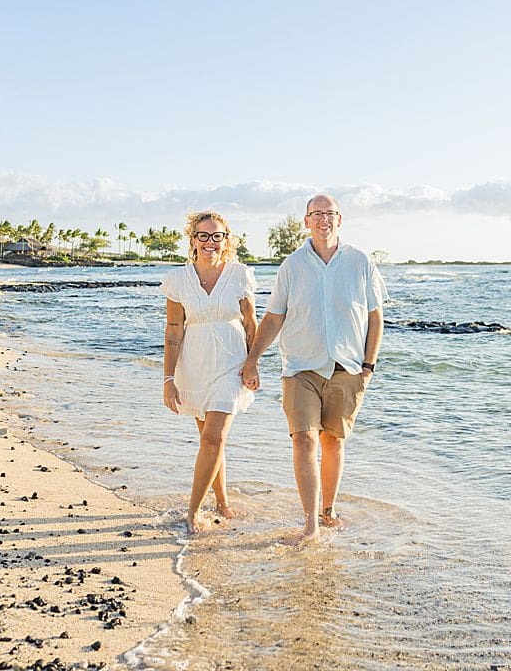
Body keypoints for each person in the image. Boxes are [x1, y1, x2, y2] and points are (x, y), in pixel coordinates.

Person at [242, 194, 385, 542]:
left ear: (340, 219)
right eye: (316, 214)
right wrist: (253, 359)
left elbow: (374, 315)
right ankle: (311, 524)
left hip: (347, 368)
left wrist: (368, 366)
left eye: (330, 213)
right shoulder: (292, 265)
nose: (324, 219)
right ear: (306, 221)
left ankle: (328, 509)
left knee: (332, 441)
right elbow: (275, 316)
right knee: (304, 439)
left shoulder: (360, 262)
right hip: (301, 368)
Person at [161, 210, 258, 533]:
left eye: (217, 236)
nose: (210, 242)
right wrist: (168, 379)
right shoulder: (178, 279)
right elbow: (174, 330)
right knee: (209, 440)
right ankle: (223, 502)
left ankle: (193, 513)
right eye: (203, 235)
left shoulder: (240, 275)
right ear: (193, 240)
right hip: (195, 365)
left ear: (226, 240)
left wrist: (253, 362)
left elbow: (250, 324)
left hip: (232, 365)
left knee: (214, 437)